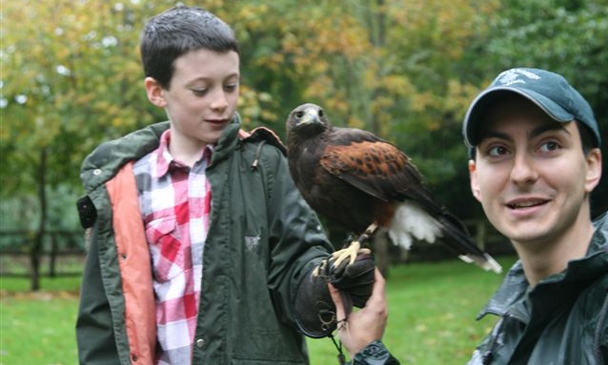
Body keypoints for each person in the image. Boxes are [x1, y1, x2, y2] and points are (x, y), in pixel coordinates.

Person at [74, 5, 374, 364]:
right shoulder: (121, 185)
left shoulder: (265, 165)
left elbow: (297, 260)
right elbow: (102, 313)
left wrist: (321, 283)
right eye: (201, 90)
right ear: (157, 91)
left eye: (231, 85)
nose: (221, 102)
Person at [329, 67, 608, 364]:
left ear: (591, 166)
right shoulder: (510, 324)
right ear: (475, 179)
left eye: (549, 145)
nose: (522, 173)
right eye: (499, 150)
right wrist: (368, 350)